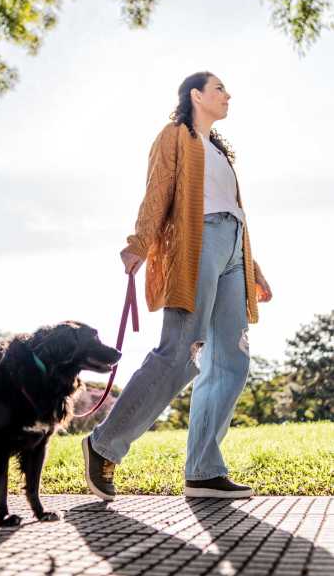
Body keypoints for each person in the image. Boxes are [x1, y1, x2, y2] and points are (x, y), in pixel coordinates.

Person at [82, 71, 272, 500]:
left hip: (232, 251)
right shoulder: (175, 136)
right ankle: (103, 445)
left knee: (232, 361)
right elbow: (158, 191)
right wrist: (139, 243)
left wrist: (253, 267)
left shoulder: (221, 154)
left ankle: (203, 471)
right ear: (196, 94)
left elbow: (232, 211)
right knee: (180, 353)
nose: (227, 94)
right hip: (196, 244)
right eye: (219, 87)